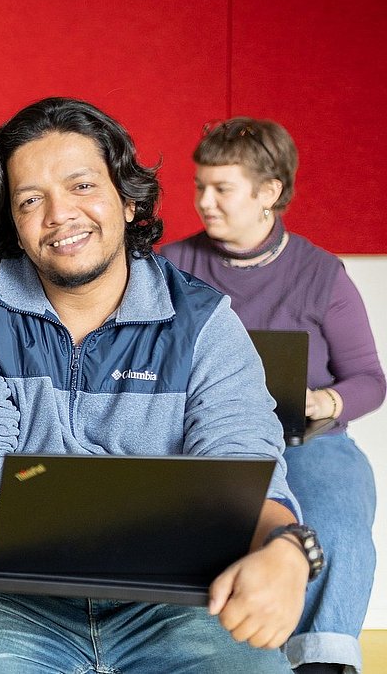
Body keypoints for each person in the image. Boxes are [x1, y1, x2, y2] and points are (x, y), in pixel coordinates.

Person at [0, 97, 321, 673]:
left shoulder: (204, 320)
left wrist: (287, 551)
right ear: (13, 222)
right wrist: (177, 500)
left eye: (82, 186)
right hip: (11, 598)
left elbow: (243, 472)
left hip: (183, 599)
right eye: (31, 200)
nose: (59, 214)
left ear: (129, 201)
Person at [162, 117, 385, 674]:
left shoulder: (322, 274)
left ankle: (320, 663)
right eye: (199, 186)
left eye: (222, 189)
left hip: (306, 440)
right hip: (205, 442)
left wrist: (324, 402)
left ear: (269, 193)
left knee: (334, 524)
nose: (205, 202)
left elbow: (368, 379)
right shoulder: (169, 266)